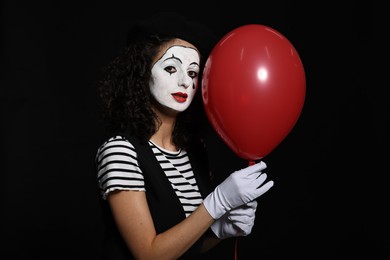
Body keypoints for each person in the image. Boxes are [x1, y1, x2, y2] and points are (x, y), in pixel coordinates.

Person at [95, 12, 274, 260]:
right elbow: (149, 255)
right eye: (171, 68)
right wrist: (217, 203)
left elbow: (185, 245)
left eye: (192, 73)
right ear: (142, 73)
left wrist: (220, 231)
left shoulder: (193, 151)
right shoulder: (120, 152)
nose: (184, 81)